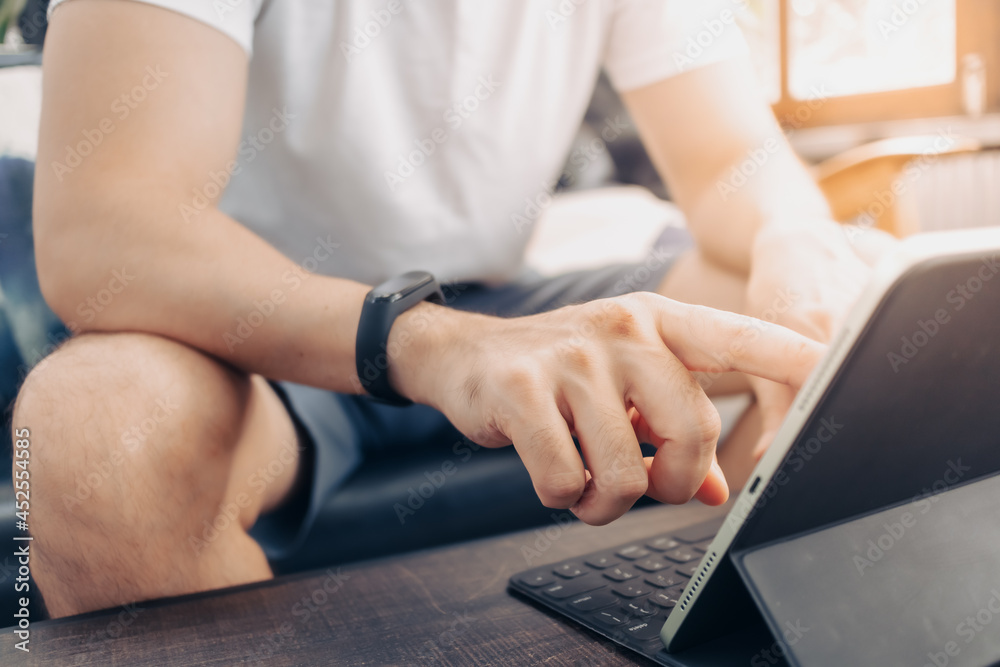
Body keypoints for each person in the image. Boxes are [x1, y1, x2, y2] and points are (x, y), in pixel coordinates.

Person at [14, 0, 892, 618]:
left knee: (875, 314)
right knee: (91, 424)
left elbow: (732, 156)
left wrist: (793, 235)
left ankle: (698, 624)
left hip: (502, 300)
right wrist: (432, 343)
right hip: (258, 341)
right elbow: (106, 228)